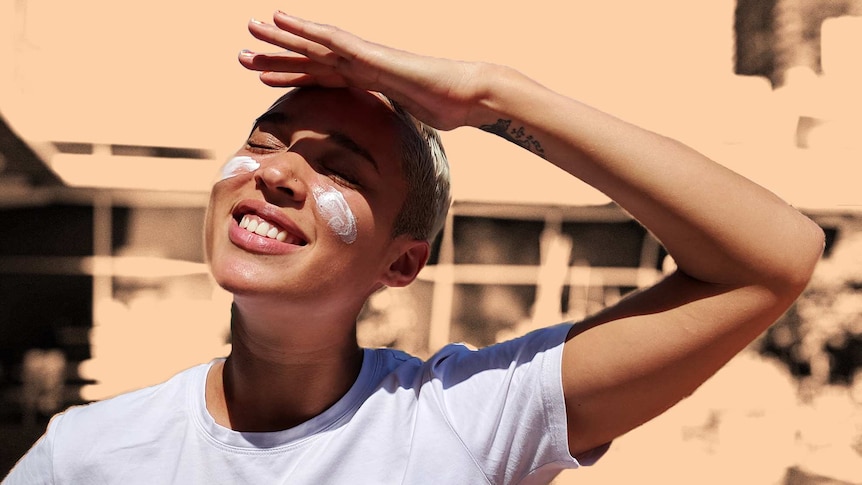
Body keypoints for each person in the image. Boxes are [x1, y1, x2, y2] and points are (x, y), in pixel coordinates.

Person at [4, 11, 824, 485]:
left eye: (336, 167)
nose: (277, 173)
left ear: (402, 263)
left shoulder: (466, 419)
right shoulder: (86, 455)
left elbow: (774, 256)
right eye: (264, 142)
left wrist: (489, 96)